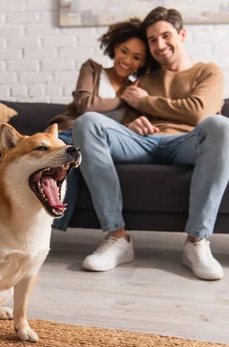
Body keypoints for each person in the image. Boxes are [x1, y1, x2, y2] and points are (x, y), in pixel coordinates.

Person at [70, 7, 229, 280]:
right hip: (144, 143)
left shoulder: (208, 72)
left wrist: (146, 102)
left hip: (187, 142)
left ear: (182, 34)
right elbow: (129, 118)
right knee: (87, 121)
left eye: (165, 36)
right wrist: (131, 124)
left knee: (221, 125)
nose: (159, 45)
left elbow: (199, 112)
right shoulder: (145, 79)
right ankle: (117, 238)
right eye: (152, 40)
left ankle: (197, 241)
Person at [47, 18, 155, 231]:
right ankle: (46, 225)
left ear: (142, 63)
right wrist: (123, 98)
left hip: (96, 144)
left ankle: (52, 226)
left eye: (136, 57)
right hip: (67, 133)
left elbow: (124, 129)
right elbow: (86, 105)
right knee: (66, 155)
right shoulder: (92, 69)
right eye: (124, 51)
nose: (127, 60)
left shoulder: (137, 91)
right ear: (115, 47)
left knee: (84, 153)